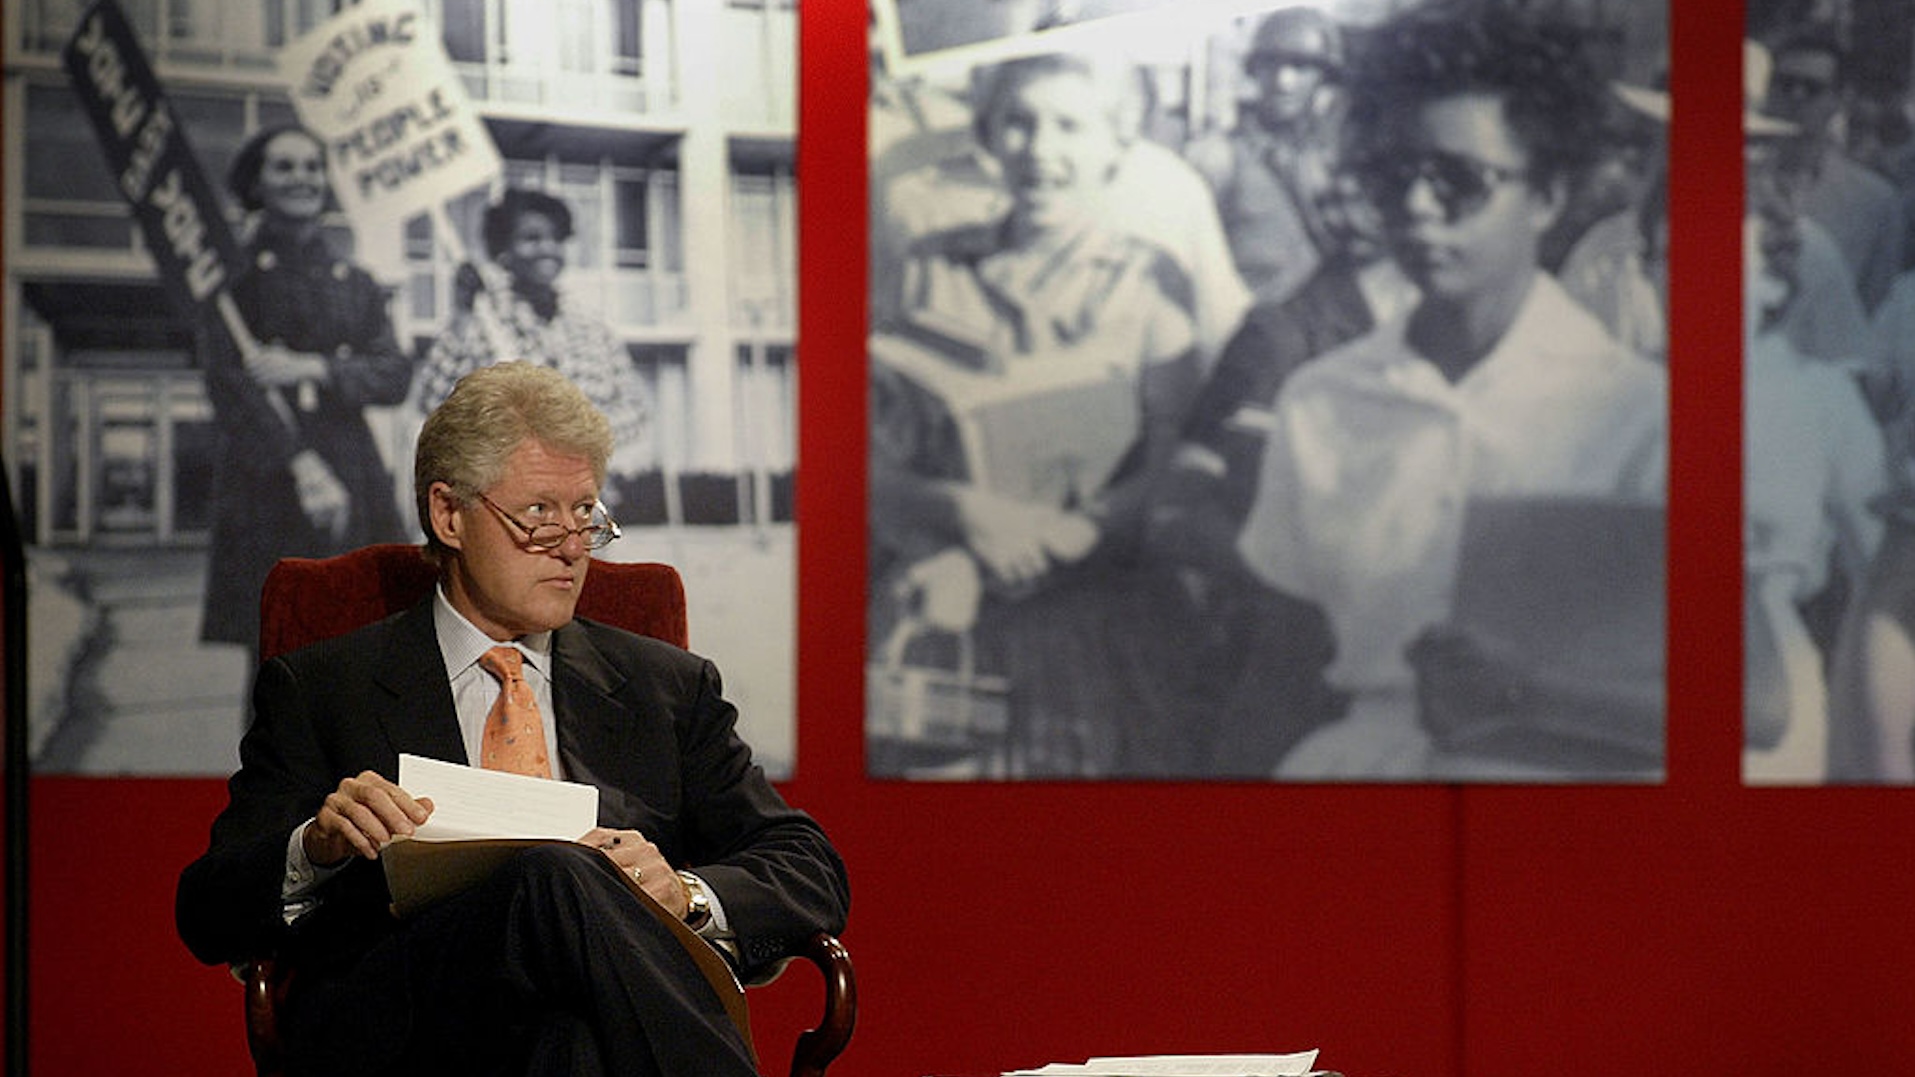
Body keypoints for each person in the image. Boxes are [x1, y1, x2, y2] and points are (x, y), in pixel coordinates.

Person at [176, 363, 849, 1075]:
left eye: (585, 511)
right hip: (405, 1026)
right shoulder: (324, 686)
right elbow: (206, 908)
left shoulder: (664, 687)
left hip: (587, 1031)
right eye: (538, 513)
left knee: (570, 1035)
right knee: (553, 873)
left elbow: (809, 867)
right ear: (448, 515)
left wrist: (679, 891)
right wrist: (315, 845)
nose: (570, 544)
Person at [1234, 7, 1668, 779]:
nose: (1416, 207)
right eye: (1391, 176)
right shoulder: (1320, 401)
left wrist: (1529, 693)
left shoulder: (1637, 415)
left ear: (1545, 196)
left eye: (1458, 180)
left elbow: (1726, 704)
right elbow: (1279, 667)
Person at [868, 51, 1202, 775]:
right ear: (987, 135)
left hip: (1095, 623)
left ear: (1115, 141)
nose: (1040, 150)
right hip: (945, 614)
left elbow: (1174, 459)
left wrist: (1072, 532)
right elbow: (863, 464)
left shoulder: (1150, 282)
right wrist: (960, 512)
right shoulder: (928, 267)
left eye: (1069, 126)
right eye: (1018, 123)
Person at [200, 123, 411, 660]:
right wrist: (301, 466)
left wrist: (313, 368)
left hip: (353, 469)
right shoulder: (231, 281)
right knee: (281, 654)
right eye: (285, 167)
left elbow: (392, 375)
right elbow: (229, 388)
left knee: (363, 648)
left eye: (313, 167)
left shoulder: (354, 280)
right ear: (257, 184)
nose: (303, 178)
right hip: (268, 478)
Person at [414, 187, 656, 502]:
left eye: (556, 239)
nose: (548, 249)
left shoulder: (592, 330)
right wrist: (461, 314)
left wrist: (577, 441)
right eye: (531, 239)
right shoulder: (481, 323)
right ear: (503, 251)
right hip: (501, 503)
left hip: (580, 506)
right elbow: (433, 402)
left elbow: (635, 408)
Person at [1184, 5, 1347, 305]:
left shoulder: (1335, 157)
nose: (1284, 80)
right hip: (1253, 331)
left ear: (1324, 77)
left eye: (1300, 67)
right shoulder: (1219, 157)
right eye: (1271, 64)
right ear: (1254, 70)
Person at [1761, 25, 1904, 314]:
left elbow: (1875, 305)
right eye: (1785, 84)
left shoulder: (1875, 203)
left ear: (1839, 99)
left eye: (1812, 88)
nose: (1796, 97)